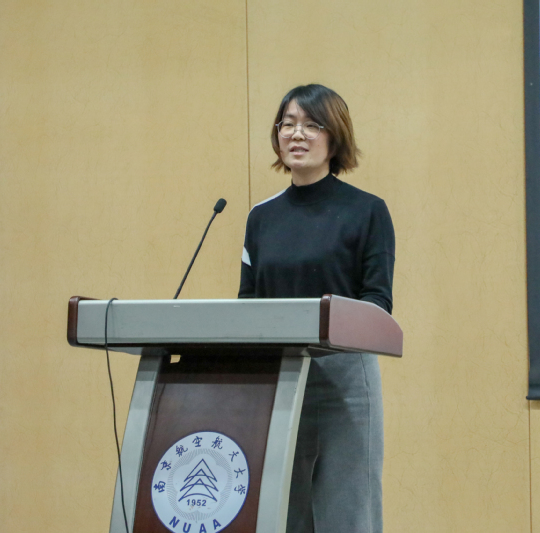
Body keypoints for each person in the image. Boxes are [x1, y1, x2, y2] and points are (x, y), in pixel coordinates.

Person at [238, 84, 395, 533]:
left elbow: (377, 301)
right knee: (283, 510)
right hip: (279, 378)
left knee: (348, 510)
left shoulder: (367, 211)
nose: (296, 134)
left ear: (334, 136)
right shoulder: (261, 217)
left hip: (344, 379)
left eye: (311, 124)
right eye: (287, 124)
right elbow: (247, 302)